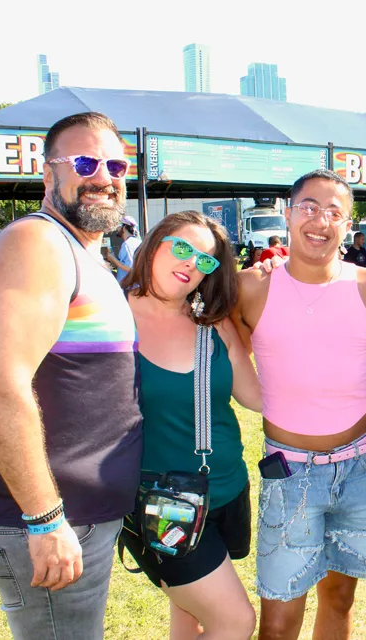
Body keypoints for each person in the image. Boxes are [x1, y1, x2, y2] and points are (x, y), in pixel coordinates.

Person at [0, 112, 142, 639]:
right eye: (85, 163)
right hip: (47, 522)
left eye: (116, 166)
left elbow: (55, 378)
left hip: (75, 517)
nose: (104, 176)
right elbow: (1, 385)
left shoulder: (80, 252)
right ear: (48, 175)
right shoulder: (36, 244)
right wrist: (44, 518)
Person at [232, 169, 366, 640]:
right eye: (308, 207)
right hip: (290, 472)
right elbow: (226, 358)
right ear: (287, 214)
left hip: (360, 467)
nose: (320, 220)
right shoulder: (250, 288)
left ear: (348, 225)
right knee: (279, 622)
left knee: (340, 599)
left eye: (333, 212)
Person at [118, 211, 262, 639]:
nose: (190, 263)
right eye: (182, 247)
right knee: (235, 621)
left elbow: (257, 397)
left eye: (205, 259)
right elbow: (56, 391)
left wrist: (341, 381)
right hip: (159, 502)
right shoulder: (111, 315)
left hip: (226, 490)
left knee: (189, 612)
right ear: (154, 244)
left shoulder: (212, 323)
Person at [104, 214, 141, 283]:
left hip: (129, 286)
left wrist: (113, 258)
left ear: (124, 228)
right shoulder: (136, 242)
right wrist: (112, 259)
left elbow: (130, 268)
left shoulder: (128, 244)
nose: (116, 229)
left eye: (118, 226)